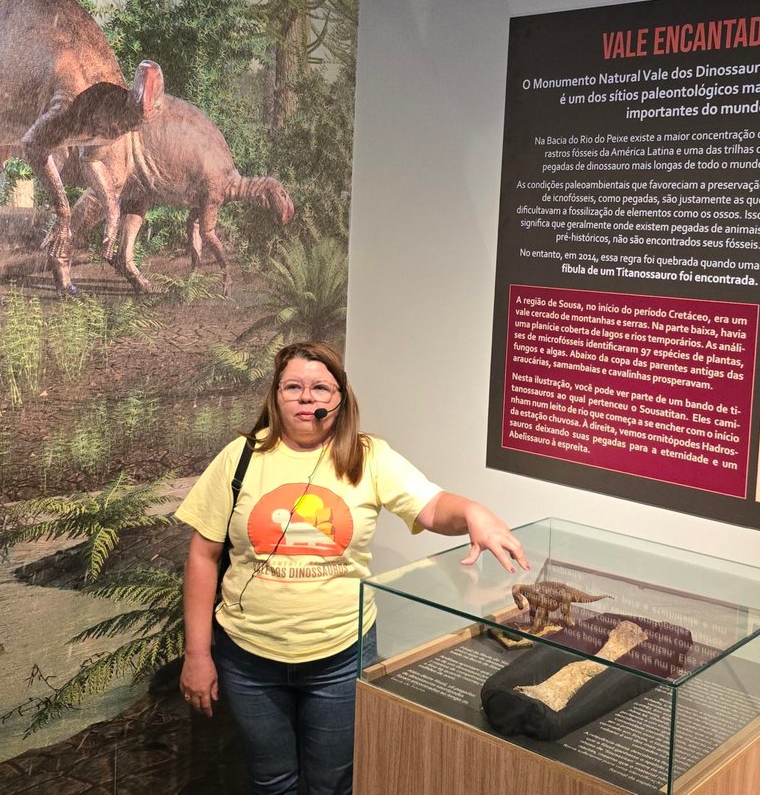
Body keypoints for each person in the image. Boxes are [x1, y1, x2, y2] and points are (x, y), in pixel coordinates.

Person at [176, 340, 528, 795]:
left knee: (333, 784)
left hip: (340, 658)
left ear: (340, 398)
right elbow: (202, 556)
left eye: (321, 388)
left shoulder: (369, 456)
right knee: (271, 781)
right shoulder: (241, 456)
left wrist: (472, 512)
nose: (307, 398)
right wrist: (198, 655)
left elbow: (432, 506)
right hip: (248, 658)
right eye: (293, 387)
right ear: (276, 395)